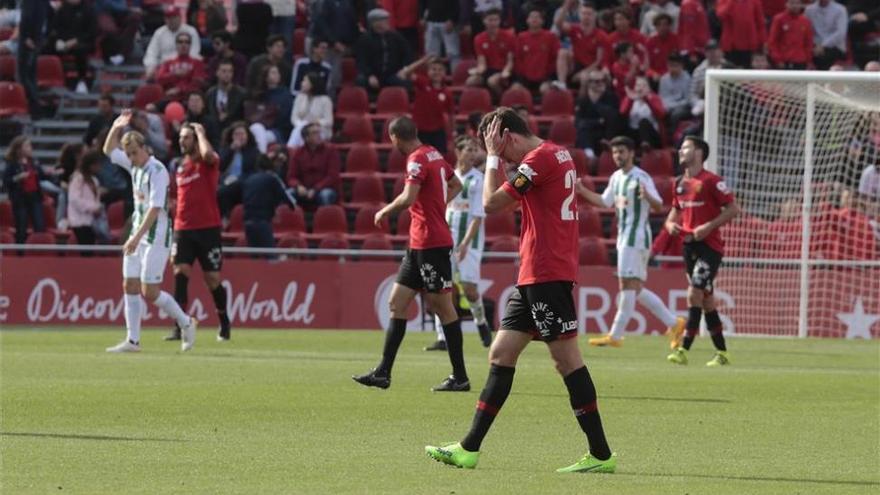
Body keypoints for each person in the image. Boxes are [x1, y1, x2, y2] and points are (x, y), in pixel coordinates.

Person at [424, 108, 615, 473]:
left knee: (567, 361)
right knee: (501, 352)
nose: (500, 158)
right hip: (534, 274)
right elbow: (516, 200)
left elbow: (491, 204)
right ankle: (469, 449)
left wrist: (495, 159)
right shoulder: (557, 154)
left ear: (507, 136)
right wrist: (500, 161)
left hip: (547, 272)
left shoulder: (539, 159)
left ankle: (601, 455)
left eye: (497, 146)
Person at [352, 116, 469, 392]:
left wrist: (384, 211)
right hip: (418, 244)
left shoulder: (417, 159)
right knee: (397, 302)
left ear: (395, 138)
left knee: (443, 307)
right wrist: (437, 205)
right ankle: (383, 372)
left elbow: (408, 197)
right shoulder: (433, 153)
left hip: (431, 243)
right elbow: (456, 185)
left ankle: (460, 376)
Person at [575, 136, 685, 347]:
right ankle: (674, 323)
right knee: (634, 287)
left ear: (632, 153)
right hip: (624, 238)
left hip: (636, 238)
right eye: (615, 152)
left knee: (627, 285)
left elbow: (658, 205)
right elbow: (605, 201)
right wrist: (582, 191)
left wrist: (648, 197)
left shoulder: (641, 177)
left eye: (622, 152)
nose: (618, 156)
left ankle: (615, 335)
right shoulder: (616, 177)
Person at [102, 110, 197, 353]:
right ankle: (132, 340)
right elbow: (108, 150)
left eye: (135, 152)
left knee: (150, 291)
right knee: (129, 285)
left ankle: (186, 323)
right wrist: (117, 125)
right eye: (129, 154)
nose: (131, 157)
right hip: (137, 235)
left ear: (145, 147)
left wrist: (134, 238)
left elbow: (155, 209)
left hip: (155, 237)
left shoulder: (157, 171)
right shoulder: (134, 166)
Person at [665, 136, 741, 366]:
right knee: (706, 300)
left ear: (698, 153)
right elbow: (672, 215)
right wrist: (671, 226)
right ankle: (722, 353)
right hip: (689, 246)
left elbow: (733, 208)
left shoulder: (712, 181)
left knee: (694, 293)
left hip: (710, 247)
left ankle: (683, 349)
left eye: (686, 147)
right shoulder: (678, 182)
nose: (680, 150)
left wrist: (708, 227)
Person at [162, 123, 230, 342]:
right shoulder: (180, 167)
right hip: (183, 229)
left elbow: (208, 153)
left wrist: (201, 132)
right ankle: (179, 326)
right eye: (181, 137)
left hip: (208, 229)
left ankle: (224, 321)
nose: (183, 141)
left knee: (212, 278)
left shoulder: (207, 163)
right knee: (180, 274)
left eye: (187, 137)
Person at [426, 136, 493, 351]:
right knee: (442, 288)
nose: (473, 154)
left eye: (475, 150)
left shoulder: (478, 179)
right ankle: (441, 337)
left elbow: (477, 216)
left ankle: (481, 322)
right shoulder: (448, 176)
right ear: (458, 152)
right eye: (469, 150)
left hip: (469, 243)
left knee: (469, 290)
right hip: (445, 239)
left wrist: (464, 244)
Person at [242, 146, 297, 248]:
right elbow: (288, 199)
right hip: (262, 221)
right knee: (270, 255)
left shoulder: (249, 179)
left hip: (247, 221)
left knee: (254, 257)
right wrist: (292, 207)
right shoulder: (273, 178)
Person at [399, 56, 454, 153]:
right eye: (433, 69)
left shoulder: (447, 92)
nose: (437, 72)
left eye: (440, 70)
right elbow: (404, 73)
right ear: (428, 71)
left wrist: (452, 133)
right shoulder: (423, 83)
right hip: (419, 131)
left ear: (445, 72)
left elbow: (451, 115)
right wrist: (422, 61)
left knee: (438, 161)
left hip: (438, 132)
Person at [354, 8, 413, 91]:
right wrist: (370, 75)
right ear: (375, 23)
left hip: (392, 74)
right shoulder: (364, 39)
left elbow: (407, 53)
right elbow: (361, 61)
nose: (388, 22)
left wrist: (404, 69)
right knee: (360, 81)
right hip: (373, 74)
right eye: (384, 20)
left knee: (405, 83)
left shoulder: (395, 36)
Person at [3, 137, 46, 244]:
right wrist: (18, 177)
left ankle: (38, 251)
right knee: (21, 227)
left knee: (39, 225)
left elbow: (42, 176)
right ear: (19, 149)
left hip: (35, 198)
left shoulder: (34, 162)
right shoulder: (12, 164)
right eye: (27, 146)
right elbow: (6, 181)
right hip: (20, 199)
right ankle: (20, 254)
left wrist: (51, 173)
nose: (30, 148)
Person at [47, 0, 96, 93]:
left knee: (80, 50)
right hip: (64, 42)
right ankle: (53, 78)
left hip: (82, 42)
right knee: (47, 47)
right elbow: (55, 27)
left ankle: (82, 81)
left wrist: (75, 41)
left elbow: (92, 32)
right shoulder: (62, 9)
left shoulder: (88, 9)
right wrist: (60, 40)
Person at [556, 3, 608, 90]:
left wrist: (584, 72)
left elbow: (599, 61)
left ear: (594, 16)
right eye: (584, 13)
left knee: (584, 77)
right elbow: (558, 24)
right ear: (579, 15)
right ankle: (562, 85)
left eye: (589, 14)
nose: (586, 16)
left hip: (591, 67)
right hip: (576, 64)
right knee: (562, 52)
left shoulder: (601, 35)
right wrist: (566, 6)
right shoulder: (575, 29)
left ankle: (581, 101)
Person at [287, 123, 340, 206]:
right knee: (288, 194)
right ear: (306, 138)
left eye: (319, 132)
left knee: (325, 195)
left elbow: (332, 176)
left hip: (324, 188)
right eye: (315, 133)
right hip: (304, 189)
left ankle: (324, 218)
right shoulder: (298, 153)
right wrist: (298, 186)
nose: (319, 135)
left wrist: (315, 189)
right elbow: (291, 176)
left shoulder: (331, 150)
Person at [143, 6, 201, 79]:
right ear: (165, 19)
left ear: (180, 18)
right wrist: (150, 67)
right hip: (165, 68)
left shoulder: (190, 31)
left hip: (186, 66)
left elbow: (194, 53)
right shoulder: (159, 32)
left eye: (174, 17)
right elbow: (151, 53)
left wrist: (183, 66)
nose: (171, 20)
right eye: (168, 17)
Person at [575, 70, 622, 159]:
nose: (600, 83)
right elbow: (578, 122)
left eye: (603, 80)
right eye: (597, 81)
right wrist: (598, 121)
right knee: (583, 129)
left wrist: (597, 104)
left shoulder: (611, 97)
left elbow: (613, 118)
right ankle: (590, 155)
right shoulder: (583, 99)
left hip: (605, 133)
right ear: (589, 83)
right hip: (588, 133)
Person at [246, 64, 294, 153]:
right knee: (256, 128)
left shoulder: (285, 95)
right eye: (273, 73)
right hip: (258, 126)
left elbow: (285, 116)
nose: (277, 75)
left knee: (257, 132)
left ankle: (261, 159)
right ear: (266, 77)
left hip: (277, 130)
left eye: (277, 73)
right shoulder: (259, 94)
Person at [467, 9, 515, 94]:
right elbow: (482, 63)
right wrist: (477, 71)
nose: (493, 23)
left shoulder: (509, 36)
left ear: (499, 21)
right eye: (490, 20)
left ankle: (503, 102)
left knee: (492, 81)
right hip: (488, 70)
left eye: (496, 20)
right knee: (470, 81)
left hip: (504, 70)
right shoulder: (479, 38)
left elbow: (510, 62)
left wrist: (505, 73)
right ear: (484, 21)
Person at [512, 7, 560, 94]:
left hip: (545, 77)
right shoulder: (521, 37)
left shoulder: (551, 36)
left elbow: (555, 58)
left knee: (545, 89)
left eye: (537, 17)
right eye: (532, 17)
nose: (534, 19)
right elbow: (518, 58)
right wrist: (523, 75)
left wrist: (548, 75)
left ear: (542, 21)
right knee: (515, 90)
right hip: (525, 78)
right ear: (527, 20)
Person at [217, 122, 259, 218]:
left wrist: (237, 179)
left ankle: (226, 218)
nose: (239, 137)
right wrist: (231, 150)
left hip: (244, 183)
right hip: (225, 182)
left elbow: (253, 171)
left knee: (224, 192)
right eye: (236, 134)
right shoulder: (226, 150)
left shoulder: (254, 152)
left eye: (242, 134)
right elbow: (220, 166)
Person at [67, 150, 106, 247]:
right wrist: (93, 208)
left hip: (91, 221)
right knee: (86, 248)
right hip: (79, 221)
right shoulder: (78, 180)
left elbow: (95, 200)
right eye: (97, 164)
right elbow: (74, 199)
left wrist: (98, 208)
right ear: (90, 165)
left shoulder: (95, 181)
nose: (99, 167)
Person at [155, 32, 207, 102]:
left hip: (189, 100)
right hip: (169, 99)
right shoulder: (168, 63)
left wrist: (180, 89)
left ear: (190, 45)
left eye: (187, 42)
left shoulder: (197, 63)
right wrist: (174, 75)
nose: (183, 44)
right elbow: (159, 79)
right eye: (180, 42)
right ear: (176, 45)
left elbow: (198, 82)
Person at [287, 72, 333, 148]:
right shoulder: (299, 97)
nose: (302, 83)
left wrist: (317, 122)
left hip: (320, 130)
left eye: (305, 81)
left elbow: (329, 121)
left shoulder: (325, 100)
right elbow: (294, 118)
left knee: (303, 130)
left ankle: (290, 149)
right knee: (302, 129)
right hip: (301, 128)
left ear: (312, 84)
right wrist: (303, 125)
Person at [716, 0, 766, 68]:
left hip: (749, 46)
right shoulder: (724, 1)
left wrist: (761, 42)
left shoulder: (755, 2)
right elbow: (721, 15)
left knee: (747, 74)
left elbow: (760, 24)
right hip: (731, 47)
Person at [620, 76, 665, 150]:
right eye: (638, 85)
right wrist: (631, 100)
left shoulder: (654, 98)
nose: (640, 88)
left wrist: (646, 99)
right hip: (634, 133)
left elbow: (661, 114)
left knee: (643, 122)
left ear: (649, 88)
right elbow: (622, 113)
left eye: (644, 85)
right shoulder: (630, 99)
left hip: (651, 134)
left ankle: (646, 147)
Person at [768, 0, 814, 70]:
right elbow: (773, 41)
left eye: (797, 3)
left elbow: (808, 43)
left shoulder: (805, 21)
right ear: (786, 4)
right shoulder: (779, 19)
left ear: (801, 5)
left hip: (800, 60)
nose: (795, 6)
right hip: (784, 60)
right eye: (792, 3)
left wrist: (808, 60)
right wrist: (778, 59)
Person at [805, 0, 848, 70]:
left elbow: (840, 33)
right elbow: (808, 31)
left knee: (823, 57)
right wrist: (816, 45)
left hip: (835, 46)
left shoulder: (840, 10)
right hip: (815, 45)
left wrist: (823, 45)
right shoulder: (809, 10)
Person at [205, 59, 246, 131]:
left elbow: (244, 116)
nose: (227, 74)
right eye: (224, 71)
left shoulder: (241, 93)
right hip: (214, 129)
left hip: (234, 129)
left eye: (230, 71)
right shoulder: (210, 93)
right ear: (217, 73)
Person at [422, 0, 460, 70]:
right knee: (431, 54)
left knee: (453, 53)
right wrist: (422, 17)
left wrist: (452, 19)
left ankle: (456, 77)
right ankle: (433, 77)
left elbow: (456, 3)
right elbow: (423, 3)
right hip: (431, 22)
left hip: (447, 22)